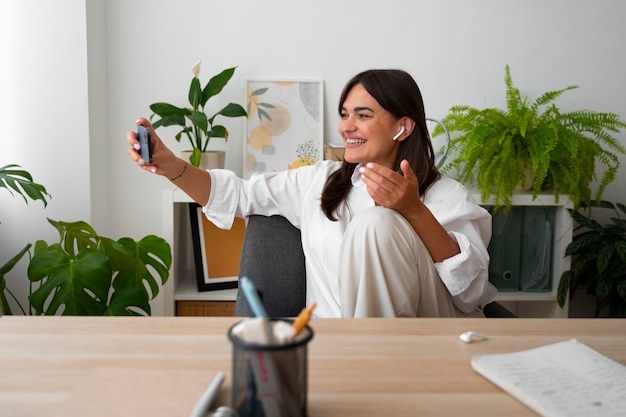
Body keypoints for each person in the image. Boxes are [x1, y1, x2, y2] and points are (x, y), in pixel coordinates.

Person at [127, 69, 495, 318]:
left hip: (428, 338)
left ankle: (375, 361)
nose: (346, 126)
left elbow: (469, 294)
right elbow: (238, 194)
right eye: (344, 113)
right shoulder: (319, 182)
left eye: (363, 115)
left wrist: (413, 211)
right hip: (338, 345)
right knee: (374, 223)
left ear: (403, 127)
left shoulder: (446, 195)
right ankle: (364, 360)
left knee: (377, 224)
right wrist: (170, 164)